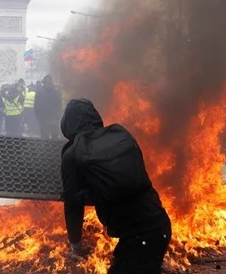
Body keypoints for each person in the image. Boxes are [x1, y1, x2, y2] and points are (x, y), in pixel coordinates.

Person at [60, 99, 171, 274]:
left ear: (67, 123)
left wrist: (75, 245)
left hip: (139, 239)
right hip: (161, 224)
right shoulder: (120, 134)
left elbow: (73, 206)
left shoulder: (73, 154)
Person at [35, 75, 62, 140]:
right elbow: (59, 106)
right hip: (53, 119)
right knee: (54, 139)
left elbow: (36, 107)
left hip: (43, 119)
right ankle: (54, 150)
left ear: (43, 82)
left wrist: (40, 117)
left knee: (44, 139)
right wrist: (57, 116)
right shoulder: (57, 92)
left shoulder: (39, 93)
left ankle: (45, 150)